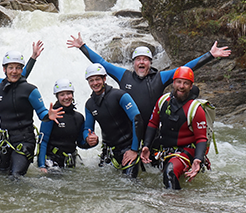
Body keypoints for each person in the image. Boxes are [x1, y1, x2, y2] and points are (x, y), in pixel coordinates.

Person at [67, 33, 231, 140]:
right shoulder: (123, 75)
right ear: (133, 63)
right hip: (127, 134)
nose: (141, 62)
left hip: (152, 132)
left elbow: (185, 69)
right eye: (138, 59)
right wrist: (83, 47)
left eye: (145, 59)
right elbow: (102, 63)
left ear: (150, 63)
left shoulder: (160, 77)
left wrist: (210, 55)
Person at [140, 66, 207, 189]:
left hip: (186, 151)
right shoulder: (163, 100)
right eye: (179, 82)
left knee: (169, 172)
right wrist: (146, 146)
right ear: (173, 83)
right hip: (164, 149)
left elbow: (201, 138)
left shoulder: (195, 109)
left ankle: (175, 204)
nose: (181, 86)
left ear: (191, 86)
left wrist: (198, 159)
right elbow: (153, 124)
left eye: (186, 83)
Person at [83, 63, 143, 178]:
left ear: (104, 79)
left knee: (129, 185)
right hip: (109, 151)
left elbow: (137, 120)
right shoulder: (89, 104)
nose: (95, 83)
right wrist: (88, 137)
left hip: (128, 148)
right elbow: (87, 128)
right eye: (91, 80)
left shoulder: (120, 95)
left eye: (97, 79)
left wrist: (134, 150)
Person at [38, 79, 88, 173]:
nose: (66, 97)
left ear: (72, 95)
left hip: (70, 160)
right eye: (62, 94)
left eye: (68, 93)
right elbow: (42, 142)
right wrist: (41, 165)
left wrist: (92, 142)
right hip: (52, 160)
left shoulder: (79, 117)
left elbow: (81, 143)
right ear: (57, 96)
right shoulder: (52, 116)